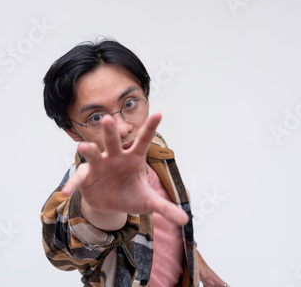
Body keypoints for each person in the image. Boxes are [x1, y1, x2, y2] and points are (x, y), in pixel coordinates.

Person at [40, 39, 229, 287]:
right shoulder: (83, 187)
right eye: (96, 117)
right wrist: (101, 209)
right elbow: (63, 245)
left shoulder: (156, 147)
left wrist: (195, 260)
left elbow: (167, 228)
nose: (124, 127)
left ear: (146, 96)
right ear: (72, 130)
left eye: (129, 104)